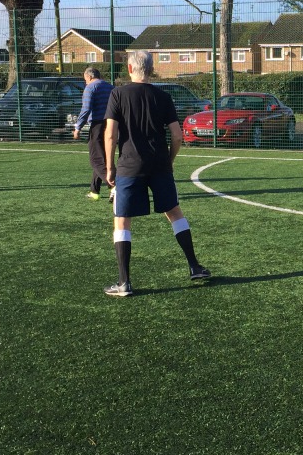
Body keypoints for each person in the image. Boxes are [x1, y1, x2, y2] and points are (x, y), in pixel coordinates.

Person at [103, 50, 210, 297]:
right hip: (160, 165)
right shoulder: (163, 96)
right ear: (151, 70)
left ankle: (124, 283)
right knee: (173, 212)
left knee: (122, 220)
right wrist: (169, 160)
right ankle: (194, 266)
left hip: (130, 167)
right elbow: (177, 135)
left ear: (130, 69)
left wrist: (110, 168)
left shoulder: (117, 94)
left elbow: (110, 134)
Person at [73, 67, 114, 200]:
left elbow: (86, 109)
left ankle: (115, 186)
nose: (85, 82)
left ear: (89, 77)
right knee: (104, 157)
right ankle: (94, 191)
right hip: (112, 125)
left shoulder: (90, 88)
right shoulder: (110, 87)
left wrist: (78, 127)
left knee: (96, 159)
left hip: (97, 125)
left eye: (85, 80)